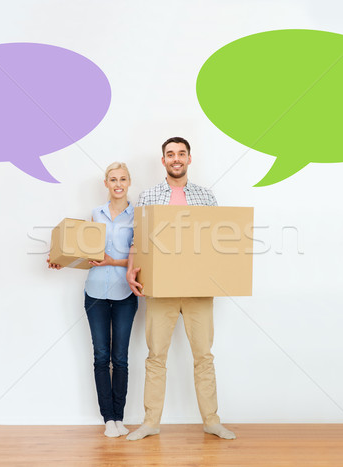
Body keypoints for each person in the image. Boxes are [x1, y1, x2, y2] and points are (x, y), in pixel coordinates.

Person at [125, 137, 236, 441]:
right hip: (160, 288)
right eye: (170, 154)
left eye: (181, 154)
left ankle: (212, 421)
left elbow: (217, 241)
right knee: (155, 354)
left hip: (198, 288)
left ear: (189, 159)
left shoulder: (205, 196)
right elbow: (138, 239)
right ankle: (150, 422)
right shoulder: (149, 196)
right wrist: (130, 270)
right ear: (163, 161)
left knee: (203, 355)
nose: (176, 158)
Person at [48, 162, 137, 438]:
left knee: (120, 358)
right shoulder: (95, 215)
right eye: (113, 179)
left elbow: (142, 257)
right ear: (106, 183)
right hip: (95, 293)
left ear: (129, 182)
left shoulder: (139, 216)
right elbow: (85, 250)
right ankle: (108, 418)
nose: (118, 183)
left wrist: (114, 261)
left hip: (125, 294)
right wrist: (62, 260)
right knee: (101, 356)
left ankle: (120, 417)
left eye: (122, 179)